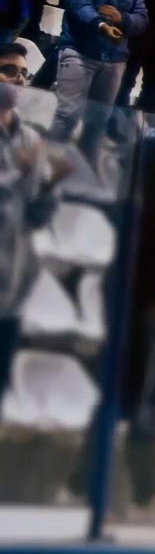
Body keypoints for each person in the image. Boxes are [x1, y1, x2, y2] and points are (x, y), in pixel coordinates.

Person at [69, 86, 155, 507]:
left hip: (154, 289)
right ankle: (129, 489)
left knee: (138, 392)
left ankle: (97, 483)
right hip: (148, 292)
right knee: (134, 392)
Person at [50, 0, 147, 151]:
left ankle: (82, 178)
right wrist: (102, 25)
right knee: (66, 118)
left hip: (115, 61)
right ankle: (47, 174)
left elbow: (142, 19)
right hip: (79, 53)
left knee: (97, 127)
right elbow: (79, 5)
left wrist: (121, 18)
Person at [0, 40, 58, 406]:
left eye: (24, 73)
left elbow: (37, 216)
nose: (19, 80)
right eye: (9, 70)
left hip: (10, 287)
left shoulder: (30, 138)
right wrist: (14, 176)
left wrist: (49, 187)